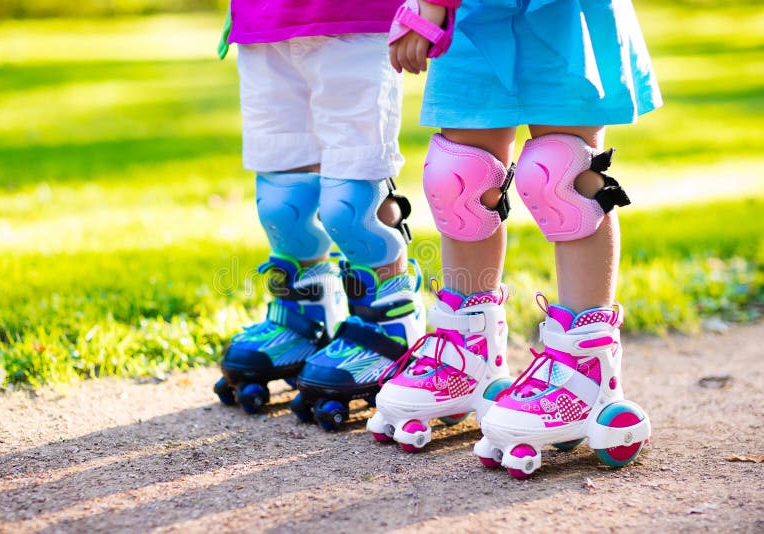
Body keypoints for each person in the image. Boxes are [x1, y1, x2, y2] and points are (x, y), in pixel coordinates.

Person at [367, 0, 661, 476]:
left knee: (561, 173)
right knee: (458, 175)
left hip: (564, 16)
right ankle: (468, 348)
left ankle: (584, 369)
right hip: (474, 16)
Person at [212, 0, 426, 429]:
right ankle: (308, 318)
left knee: (351, 203)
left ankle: (391, 328)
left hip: (355, 18)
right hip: (263, 22)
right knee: (281, 205)